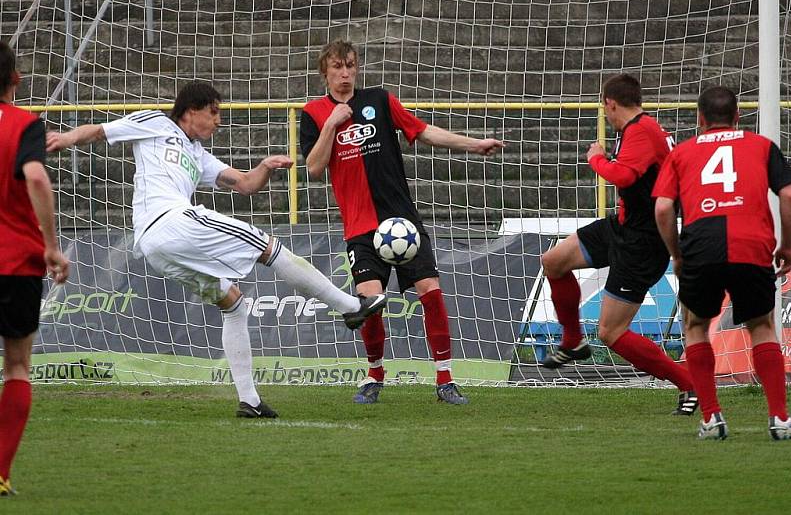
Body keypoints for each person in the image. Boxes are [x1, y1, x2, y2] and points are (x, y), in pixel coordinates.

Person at [47, 81, 387, 419]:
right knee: (268, 246)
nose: (218, 121)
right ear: (192, 110)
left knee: (233, 302)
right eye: (214, 113)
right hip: (171, 222)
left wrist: (265, 167)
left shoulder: (197, 155)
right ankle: (349, 307)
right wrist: (65, 138)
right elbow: (100, 131)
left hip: (156, 248)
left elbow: (245, 185)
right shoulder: (155, 122)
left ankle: (249, 401)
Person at [300, 39, 504, 405]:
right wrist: (332, 124)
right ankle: (375, 373)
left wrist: (473, 144)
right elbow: (314, 168)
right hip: (360, 228)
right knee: (371, 301)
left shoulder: (379, 100)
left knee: (430, 290)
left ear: (357, 67)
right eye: (337, 67)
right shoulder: (314, 114)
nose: (345, 73)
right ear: (325, 72)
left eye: (350, 65)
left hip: (401, 223)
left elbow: (422, 131)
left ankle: (445, 379)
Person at [540, 73, 698, 414]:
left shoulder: (641, 130)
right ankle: (572, 341)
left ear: (611, 104)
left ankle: (688, 383)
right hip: (622, 227)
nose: (606, 115)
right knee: (553, 261)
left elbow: (624, 176)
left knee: (611, 332)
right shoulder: (638, 130)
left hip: (643, 243)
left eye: (605, 108)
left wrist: (596, 158)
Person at [653, 86, 791, 440]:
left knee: (696, 327)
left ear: (700, 120)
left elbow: (661, 208)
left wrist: (676, 254)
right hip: (751, 244)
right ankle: (779, 419)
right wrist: (787, 247)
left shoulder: (683, 152)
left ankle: (712, 419)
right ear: (737, 117)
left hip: (700, 246)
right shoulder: (761, 146)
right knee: (762, 326)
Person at [0, 40, 70, 497]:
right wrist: (51, 246)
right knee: (18, 366)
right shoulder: (24, 124)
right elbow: (38, 177)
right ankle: (0, 472)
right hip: (16, 261)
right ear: (16, 79)